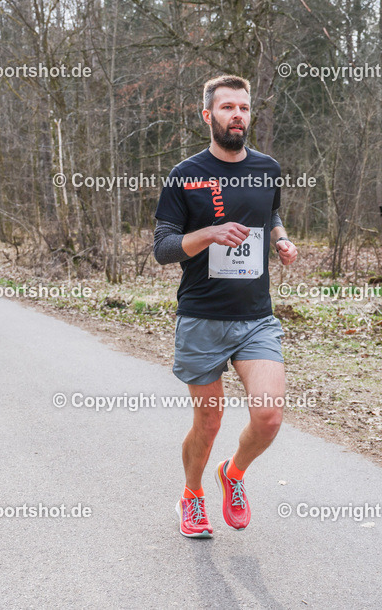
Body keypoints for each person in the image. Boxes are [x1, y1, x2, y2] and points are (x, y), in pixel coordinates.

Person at [154, 75, 298, 538]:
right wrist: (209, 234)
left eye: (244, 108)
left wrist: (281, 239)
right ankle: (192, 494)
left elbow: (270, 212)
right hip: (202, 315)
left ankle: (232, 474)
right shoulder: (185, 174)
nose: (237, 115)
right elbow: (163, 248)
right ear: (208, 115)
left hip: (256, 317)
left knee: (269, 417)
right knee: (209, 421)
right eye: (227, 107)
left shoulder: (267, 168)